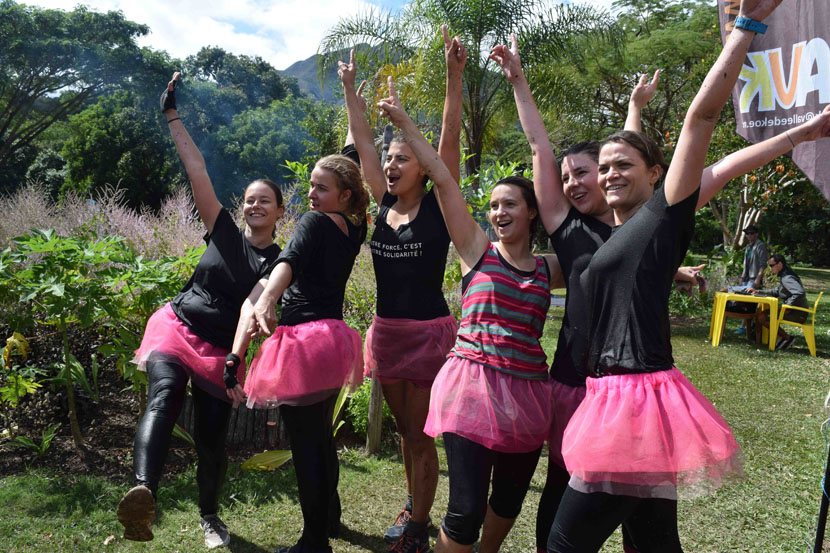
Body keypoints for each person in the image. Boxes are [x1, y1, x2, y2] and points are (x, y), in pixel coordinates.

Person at [546, 1, 783, 551]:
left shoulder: (662, 217)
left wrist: (744, 29)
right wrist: (633, 111)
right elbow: (628, 161)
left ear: (657, 175)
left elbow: (701, 120)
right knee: (653, 543)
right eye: (603, 167)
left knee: (564, 545)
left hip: (630, 401)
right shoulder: (620, 231)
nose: (609, 175)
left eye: (623, 167)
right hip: (622, 397)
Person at [377, 77, 566, 553]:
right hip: (472, 391)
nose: (498, 212)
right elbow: (442, 176)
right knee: (464, 510)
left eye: (510, 205)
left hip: (528, 393)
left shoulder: (549, 268)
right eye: (494, 205)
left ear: (532, 213)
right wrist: (404, 123)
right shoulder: (476, 249)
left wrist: (673, 270)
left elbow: (605, 262)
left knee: (508, 498)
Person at [117, 72, 285, 549]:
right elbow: (198, 172)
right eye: (249, 200)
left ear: (279, 211)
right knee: (164, 396)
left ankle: (209, 516)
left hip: (220, 352)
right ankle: (144, 493)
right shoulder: (223, 229)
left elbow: (255, 304)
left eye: (264, 201)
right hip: (177, 327)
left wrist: (239, 355)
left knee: (212, 443)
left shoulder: (279, 262)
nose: (254, 205)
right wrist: (172, 114)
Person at [338, 27, 466, 553]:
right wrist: (351, 91)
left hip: (429, 335)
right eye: (389, 160)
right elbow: (363, 144)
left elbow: (449, 138)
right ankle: (415, 508)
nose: (390, 166)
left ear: (423, 168)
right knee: (406, 436)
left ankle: (417, 528)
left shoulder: (438, 205)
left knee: (420, 435)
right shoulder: (382, 202)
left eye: (402, 160)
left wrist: (454, 78)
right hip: (388, 333)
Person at [227, 152, 369, 553]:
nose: (311, 194)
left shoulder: (314, 221)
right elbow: (350, 163)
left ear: (344, 195)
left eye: (321, 188)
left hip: (302, 343)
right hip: (333, 340)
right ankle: (329, 519)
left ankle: (313, 543)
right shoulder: (355, 227)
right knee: (321, 438)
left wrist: (266, 298)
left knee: (307, 447)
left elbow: (288, 260)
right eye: (310, 185)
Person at [747, 253, 809, 350]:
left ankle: (787, 338)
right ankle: (780, 339)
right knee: (763, 314)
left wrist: (787, 306)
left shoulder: (787, 277)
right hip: (796, 311)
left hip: (797, 313)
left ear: (779, 264)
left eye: (772, 265)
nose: (770, 268)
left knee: (762, 317)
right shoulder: (785, 275)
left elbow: (799, 293)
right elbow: (776, 292)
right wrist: (758, 291)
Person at [735, 224, 767, 334]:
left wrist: (758, 278)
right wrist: (742, 277)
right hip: (746, 277)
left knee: (749, 301)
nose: (749, 235)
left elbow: (763, 264)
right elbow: (746, 264)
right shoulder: (748, 247)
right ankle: (748, 326)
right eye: (747, 233)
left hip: (754, 278)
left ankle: (744, 327)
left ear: (756, 234)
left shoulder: (760, 246)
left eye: (751, 233)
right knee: (744, 300)